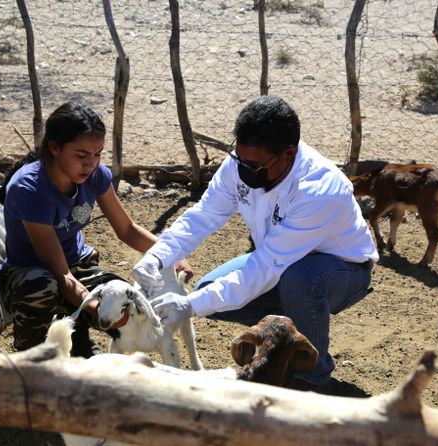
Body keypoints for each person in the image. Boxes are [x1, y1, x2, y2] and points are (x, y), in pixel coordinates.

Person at [133, 95, 378, 390]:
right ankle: (285, 342)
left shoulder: (320, 190)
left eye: (256, 166)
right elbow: (203, 215)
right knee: (209, 293)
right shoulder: (242, 163)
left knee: (299, 281)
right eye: (240, 159)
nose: (244, 170)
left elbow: (266, 266)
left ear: (288, 154)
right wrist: (157, 256)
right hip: (278, 262)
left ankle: (312, 376)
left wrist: (189, 306)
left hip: (340, 271)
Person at [0, 99, 191, 358]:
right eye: (82, 155)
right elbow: (61, 275)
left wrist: (171, 255)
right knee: (42, 287)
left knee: (123, 302)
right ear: (54, 148)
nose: (91, 164)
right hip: (31, 275)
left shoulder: (95, 176)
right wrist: (96, 307)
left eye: (97, 154)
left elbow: (127, 230)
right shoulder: (30, 190)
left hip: (77, 266)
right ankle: (32, 355)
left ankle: (80, 340)